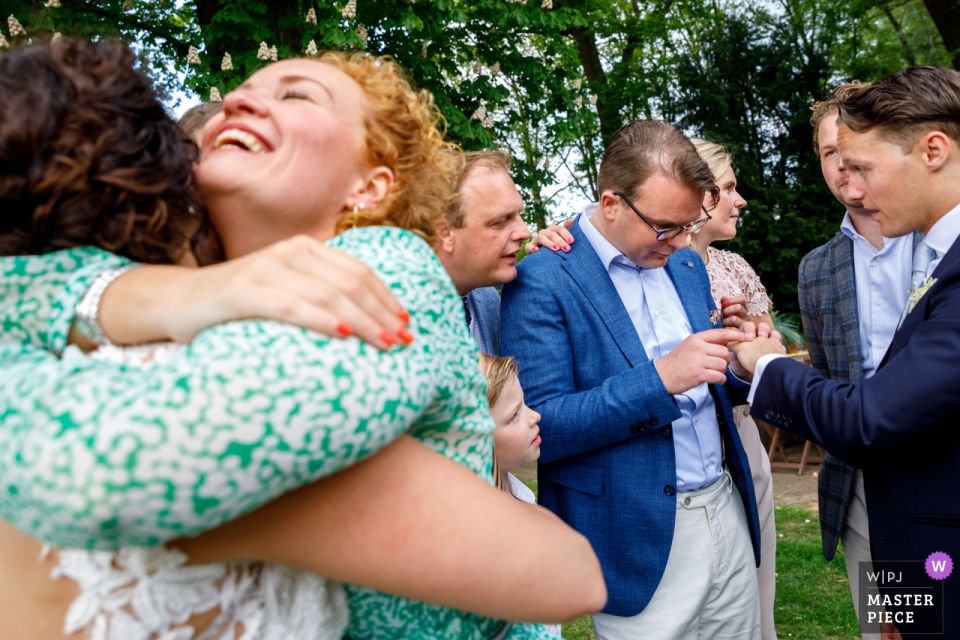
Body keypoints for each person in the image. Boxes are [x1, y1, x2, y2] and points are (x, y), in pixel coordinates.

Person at [0, 39, 605, 639]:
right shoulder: (184, 303)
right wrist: (143, 295)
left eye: (296, 94)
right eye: (239, 94)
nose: (239, 101)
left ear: (370, 186)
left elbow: (112, 466)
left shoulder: (382, 269)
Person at [501, 119, 769, 639]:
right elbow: (544, 428)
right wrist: (662, 378)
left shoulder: (686, 265)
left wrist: (737, 365)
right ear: (611, 203)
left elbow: (709, 387)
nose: (679, 242)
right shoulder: (542, 278)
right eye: (666, 227)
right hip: (634, 533)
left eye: (689, 226)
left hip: (725, 509)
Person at [733, 65, 960, 639]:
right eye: (836, 162)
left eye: (862, 165)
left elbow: (870, 413)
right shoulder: (821, 268)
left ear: (933, 150)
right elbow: (841, 385)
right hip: (879, 495)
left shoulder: (941, 257)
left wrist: (766, 364)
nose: (850, 185)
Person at [800, 82, 919, 640]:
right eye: (829, 152)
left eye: (852, 149)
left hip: (938, 472)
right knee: (883, 632)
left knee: (935, 625)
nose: (843, 164)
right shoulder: (816, 269)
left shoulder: (937, 239)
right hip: (862, 488)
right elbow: (825, 379)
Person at [685, 137, 778, 640]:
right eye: (728, 188)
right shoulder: (647, 261)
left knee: (757, 573)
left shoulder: (734, 266)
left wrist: (754, 339)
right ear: (698, 195)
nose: (739, 200)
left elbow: (770, 346)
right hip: (682, 444)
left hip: (740, 436)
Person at [479, 354, 562, 638]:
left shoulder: (521, 495)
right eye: (514, 414)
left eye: (524, 404)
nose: (534, 416)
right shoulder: (479, 542)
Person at [437, 151, 529, 354]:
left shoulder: (488, 300)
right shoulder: (384, 311)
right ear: (445, 234)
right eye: (501, 222)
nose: (525, 232)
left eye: (518, 215)